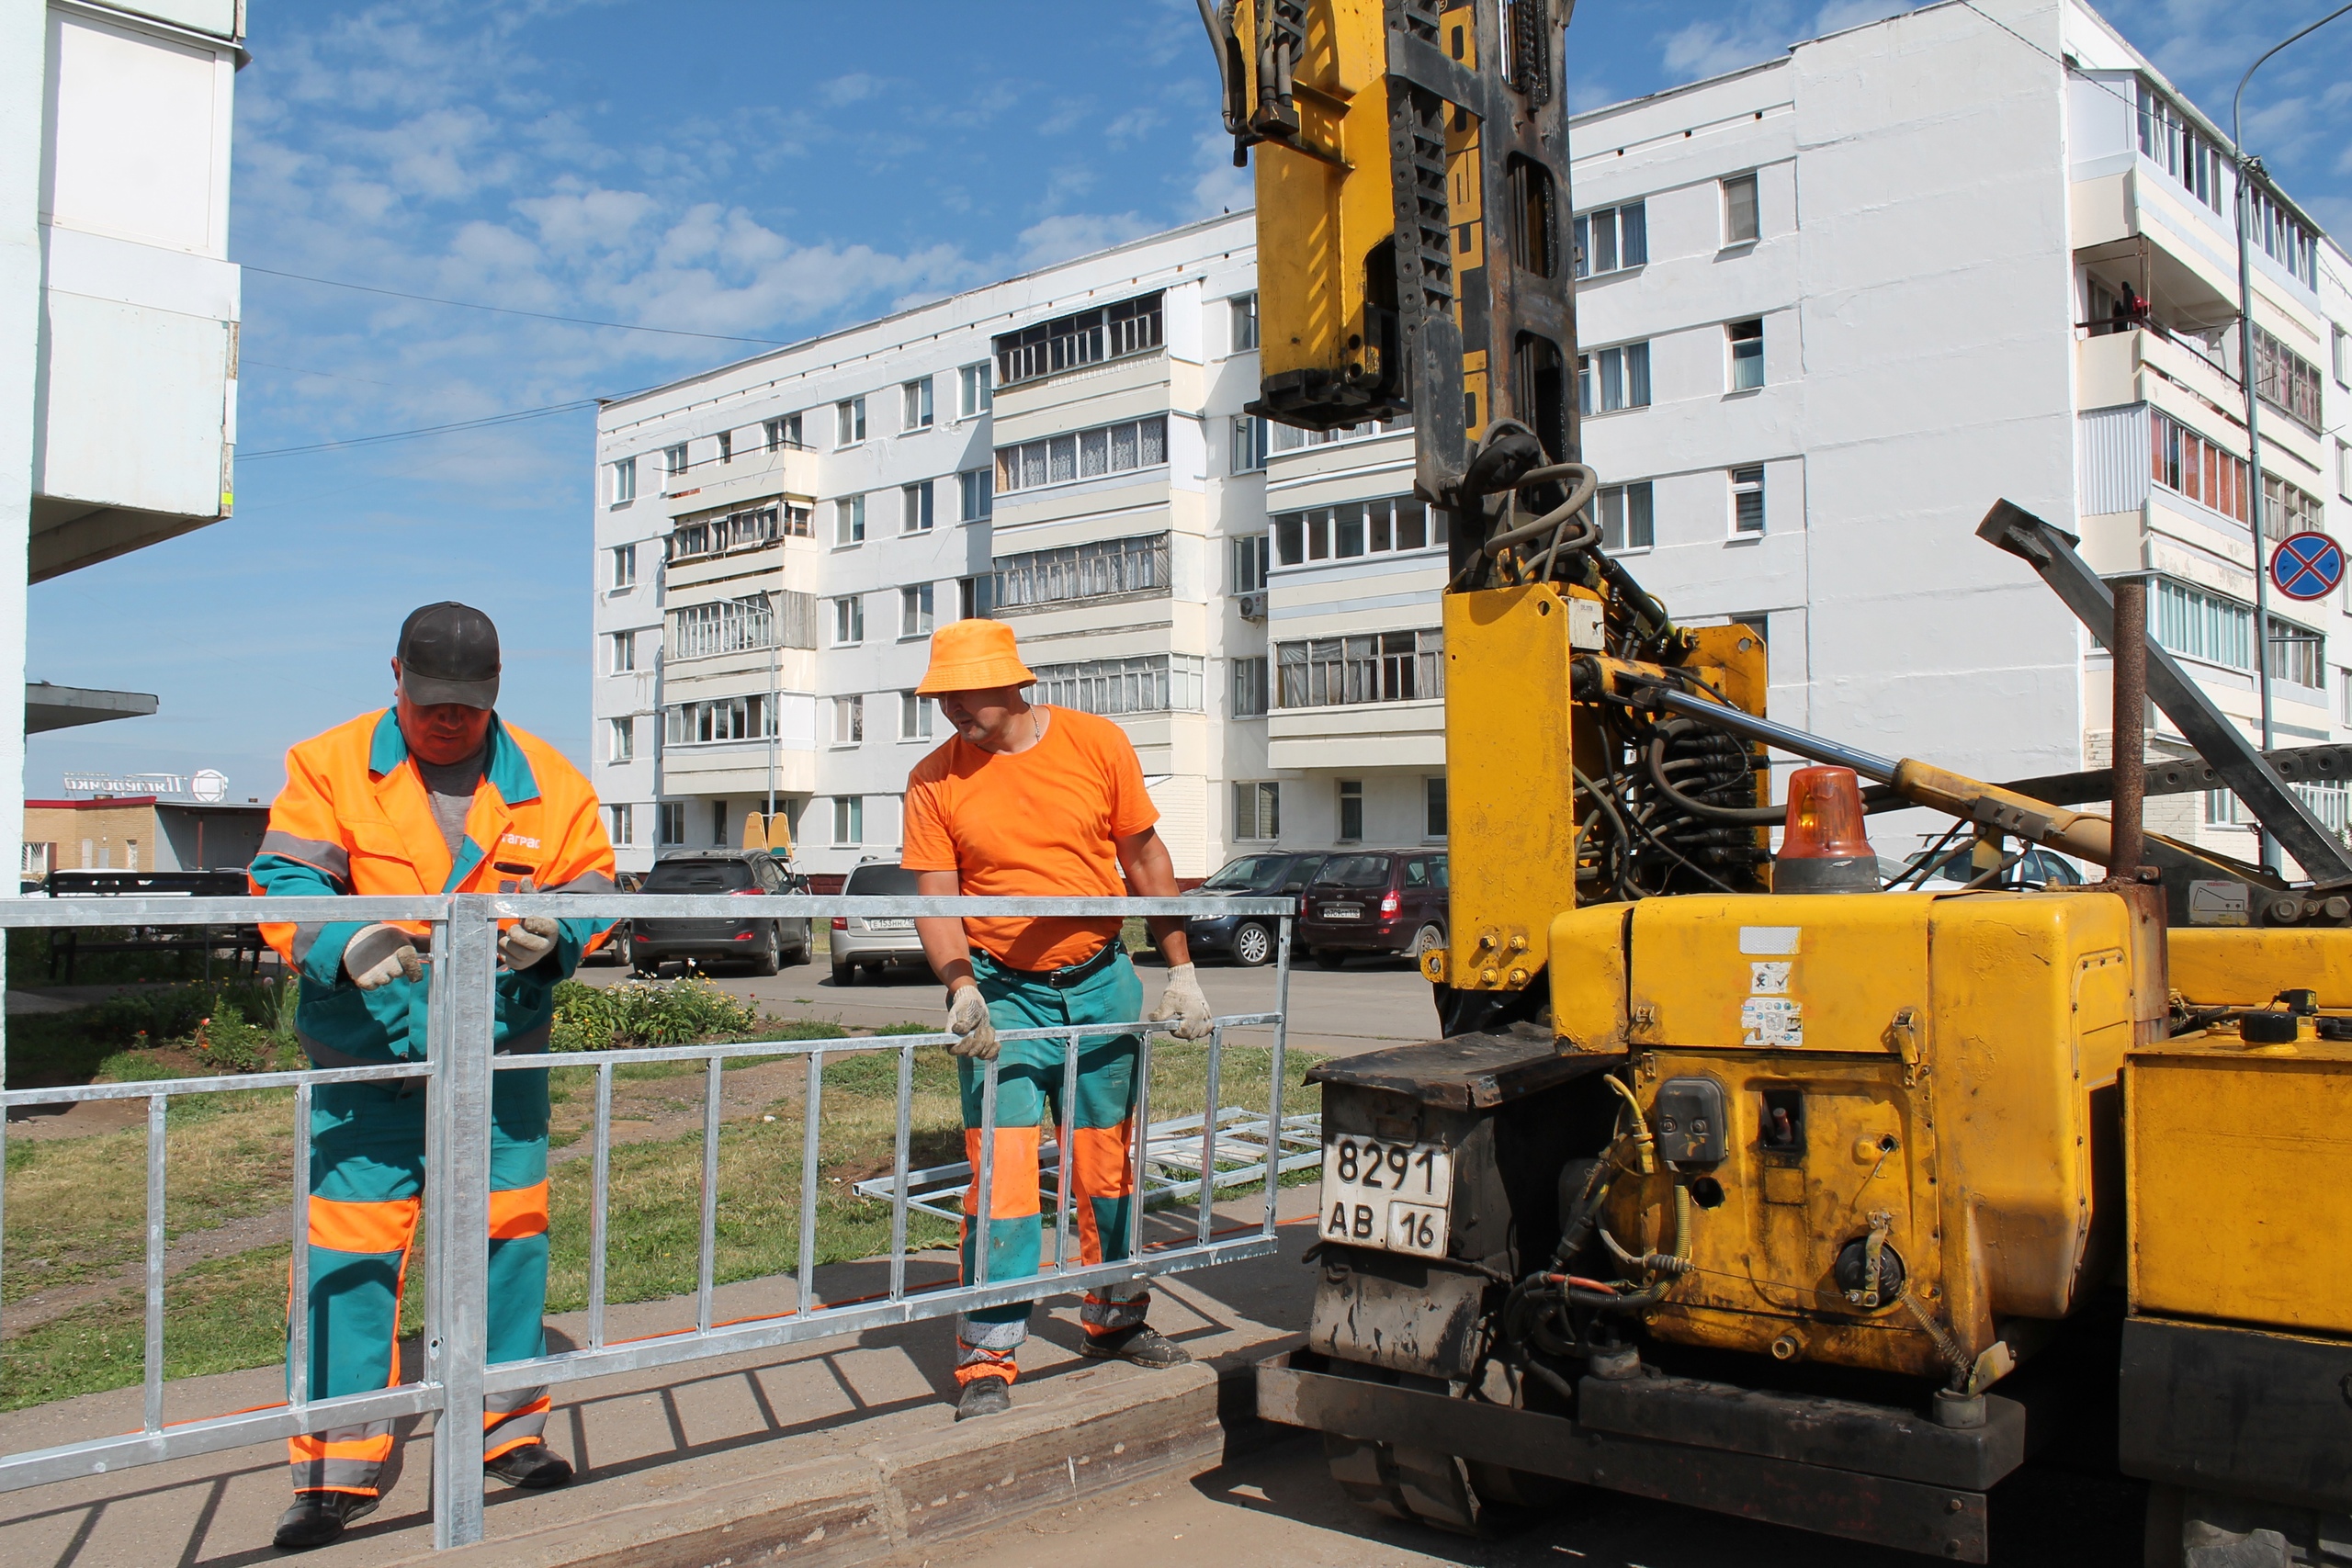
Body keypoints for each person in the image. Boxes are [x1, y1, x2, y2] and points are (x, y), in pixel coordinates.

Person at [250, 603, 618, 1551]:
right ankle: (336, 1468)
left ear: (495, 691)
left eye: (467, 704)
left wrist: (559, 939)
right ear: (396, 679)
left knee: (509, 1241)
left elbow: (592, 891)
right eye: (430, 703)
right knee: (351, 1257)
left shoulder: (546, 781)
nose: (448, 721)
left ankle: (507, 1433)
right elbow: (286, 882)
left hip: (497, 1059)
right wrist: (344, 936)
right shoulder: (328, 766)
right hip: (367, 1057)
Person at [902, 618, 1216, 1421]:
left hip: (1103, 982)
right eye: (939, 699)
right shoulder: (934, 780)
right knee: (1002, 1176)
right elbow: (936, 898)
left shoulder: (1097, 745)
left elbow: (1144, 858)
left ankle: (1114, 1320)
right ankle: (987, 1356)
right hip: (1004, 993)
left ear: (1012, 685)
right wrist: (959, 986)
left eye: (959, 695)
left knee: (1105, 1163)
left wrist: (1179, 967)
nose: (949, 713)